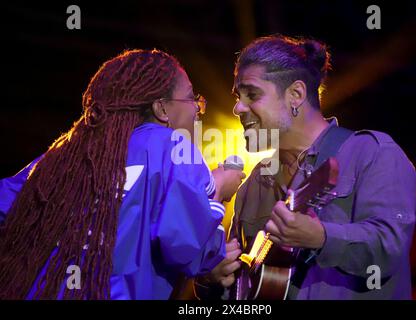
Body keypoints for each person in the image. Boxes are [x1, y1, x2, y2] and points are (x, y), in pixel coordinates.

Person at [0, 49, 245, 299]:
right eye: (192, 97)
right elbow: (187, 248)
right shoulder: (173, 147)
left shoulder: (61, 157)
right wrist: (216, 191)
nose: (197, 109)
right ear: (161, 108)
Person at [194, 35, 416, 299]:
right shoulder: (251, 187)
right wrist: (213, 279)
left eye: (251, 94)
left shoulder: (372, 152)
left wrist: (323, 238)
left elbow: (389, 248)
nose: (237, 107)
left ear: (296, 95)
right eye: (238, 96)